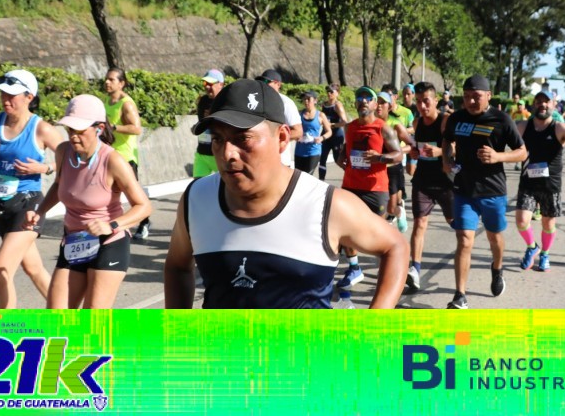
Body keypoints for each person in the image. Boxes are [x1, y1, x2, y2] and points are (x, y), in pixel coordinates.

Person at [163, 79, 408, 309]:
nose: (228, 153)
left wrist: (373, 328)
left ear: (281, 138)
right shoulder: (196, 198)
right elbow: (177, 266)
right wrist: (177, 331)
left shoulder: (326, 205)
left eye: (243, 138)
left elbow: (395, 246)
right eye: (218, 139)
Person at [24, 94, 152, 308]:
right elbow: (59, 184)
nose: (73, 136)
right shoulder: (64, 152)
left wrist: (111, 225)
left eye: (80, 131)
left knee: (92, 321)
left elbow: (144, 206)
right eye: (69, 130)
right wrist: (40, 211)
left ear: (99, 129)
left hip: (108, 243)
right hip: (75, 242)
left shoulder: (113, 161)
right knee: (57, 316)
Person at [0, 69, 62, 309]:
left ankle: (7, 326)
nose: (5, 99)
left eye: (12, 95)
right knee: (33, 268)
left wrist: (45, 168)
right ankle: (68, 316)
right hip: (0, 206)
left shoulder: (41, 129)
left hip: (28, 205)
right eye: (2, 94)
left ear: (29, 97)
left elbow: (74, 160)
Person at [442, 75, 527, 309]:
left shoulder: (501, 119)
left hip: (493, 191)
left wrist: (498, 156)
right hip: (464, 190)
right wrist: (447, 159)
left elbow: (522, 152)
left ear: (488, 96)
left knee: (494, 238)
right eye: (466, 96)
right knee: (464, 239)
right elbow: (447, 140)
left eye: (476, 96)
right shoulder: (456, 118)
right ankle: (460, 295)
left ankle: (497, 269)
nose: (470, 101)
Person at [516, 90, 565, 272]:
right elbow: (502, 137)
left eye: (546, 101)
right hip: (528, 183)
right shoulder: (523, 126)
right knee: (521, 221)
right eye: (538, 101)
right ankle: (532, 247)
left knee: (548, 223)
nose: (542, 105)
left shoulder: (560, 128)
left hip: (550, 185)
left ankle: (545, 253)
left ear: (553, 105)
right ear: (534, 105)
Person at [336, 86, 404, 291]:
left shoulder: (383, 128)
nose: (363, 100)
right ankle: (354, 268)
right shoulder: (349, 128)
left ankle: (388, 276)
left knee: (377, 235)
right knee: (344, 228)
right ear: (355, 103)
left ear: (375, 105)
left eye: (368, 97)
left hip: (375, 189)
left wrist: (379, 158)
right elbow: (345, 150)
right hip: (350, 186)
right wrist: (342, 159)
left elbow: (398, 155)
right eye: (360, 97)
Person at [405, 82, 453, 291]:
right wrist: (414, 154)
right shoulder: (417, 123)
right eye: (418, 101)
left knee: (455, 223)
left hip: (445, 182)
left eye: (426, 101)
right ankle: (415, 269)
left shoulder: (445, 121)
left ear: (436, 101)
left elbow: (459, 147)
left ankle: (467, 251)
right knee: (420, 223)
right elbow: (417, 148)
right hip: (423, 180)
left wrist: (440, 152)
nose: (422, 106)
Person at [104, 67, 151, 239]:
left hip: (126, 157)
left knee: (133, 196)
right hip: (109, 155)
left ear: (121, 83)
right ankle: (111, 224)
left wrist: (114, 127)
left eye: (111, 80)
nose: (107, 82)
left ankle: (144, 223)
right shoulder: (107, 100)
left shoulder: (127, 104)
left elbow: (137, 129)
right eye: (106, 79)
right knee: (107, 192)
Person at [375, 91, 415, 233]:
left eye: (382, 103)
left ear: (389, 106)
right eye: (377, 102)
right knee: (376, 206)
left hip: (392, 168)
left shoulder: (396, 124)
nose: (379, 106)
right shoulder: (370, 123)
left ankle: (399, 212)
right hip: (376, 169)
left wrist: (396, 152)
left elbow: (411, 145)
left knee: (391, 208)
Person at [256, 69, 302, 167]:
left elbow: (298, 131)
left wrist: (273, 138)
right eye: (261, 81)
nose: (263, 84)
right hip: (260, 160)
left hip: (280, 162)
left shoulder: (286, 103)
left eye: (266, 81)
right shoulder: (258, 101)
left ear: (278, 84)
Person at [192, 69, 225, 178]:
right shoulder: (203, 101)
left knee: (224, 186)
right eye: (205, 83)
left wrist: (213, 117)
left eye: (210, 83)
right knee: (197, 184)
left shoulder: (226, 101)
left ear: (221, 84)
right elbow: (202, 123)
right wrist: (196, 128)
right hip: (202, 153)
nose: (207, 86)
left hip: (219, 155)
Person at [294, 90, 332, 175]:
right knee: (298, 177)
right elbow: (292, 128)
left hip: (313, 150)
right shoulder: (299, 114)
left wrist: (321, 138)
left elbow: (329, 131)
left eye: (308, 99)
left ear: (315, 100)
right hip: (299, 151)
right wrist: (296, 136)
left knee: (307, 176)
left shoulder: (320, 115)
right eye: (304, 99)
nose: (306, 101)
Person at [318, 83, 348, 181]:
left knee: (337, 159)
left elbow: (344, 122)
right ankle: (321, 181)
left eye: (331, 92)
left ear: (337, 93)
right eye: (328, 91)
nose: (329, 93)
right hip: (326, 135)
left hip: (336, 136)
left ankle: (350, 174)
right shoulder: (324, 104)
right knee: (322, 158)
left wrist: (331, 125)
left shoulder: (337, 105)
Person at [402, 83, 420, 176]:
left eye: (408, 94)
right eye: (404, 93)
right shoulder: (399, 108)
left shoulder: (417, 108)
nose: (406, 96)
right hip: (401, 142)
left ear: (413, 95)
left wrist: (403, 131)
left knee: (411, 170)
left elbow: (416, 127)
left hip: (413, 141)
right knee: (406, 169)